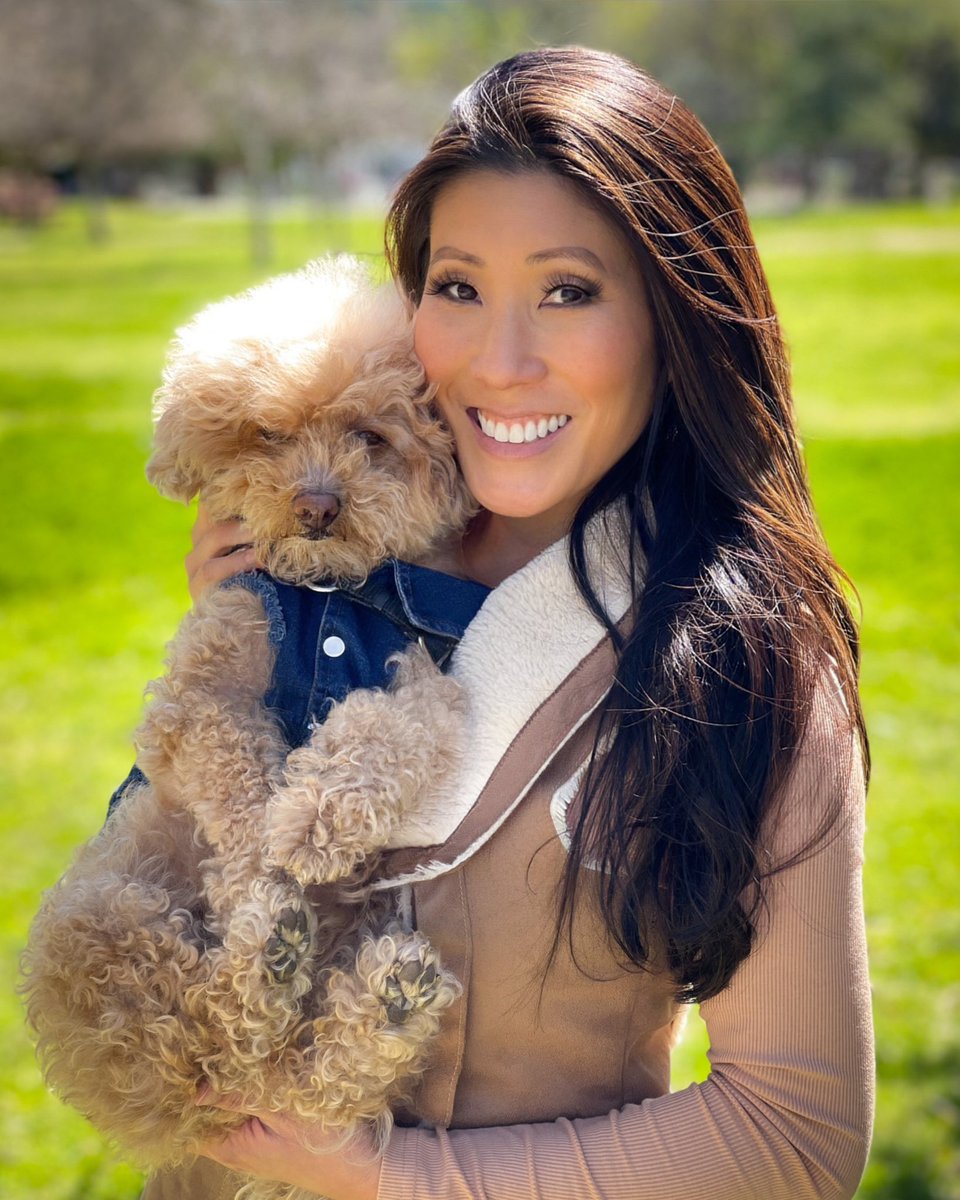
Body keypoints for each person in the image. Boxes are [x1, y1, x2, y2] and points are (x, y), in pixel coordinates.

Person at [145, 45, 874, 1200]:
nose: (501, 361)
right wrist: (245, 640)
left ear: (672, 316)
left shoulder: (741, 660)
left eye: (570, 291)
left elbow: (794, 1134)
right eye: (459, 286)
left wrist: (385, 1177)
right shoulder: (343, 548)